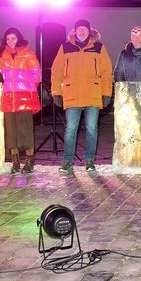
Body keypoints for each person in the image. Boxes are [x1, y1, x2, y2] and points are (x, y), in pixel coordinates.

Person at [51, 19, 113, 174]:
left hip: (93, 93)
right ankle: (67, 161)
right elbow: (56, 70)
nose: (82, 31)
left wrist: (106, 93)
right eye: (79, 29)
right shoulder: (65, 47)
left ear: (89, 31)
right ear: (75, 31)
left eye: (84, 29)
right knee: (71, 129)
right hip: (73, 94)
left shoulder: (98, 48)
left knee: (92, 128)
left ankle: (90, 160)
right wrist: (56, 92)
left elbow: (107, 71)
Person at [0, 28, 40, 173]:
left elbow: (36, 75)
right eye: (8, 39)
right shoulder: (3, 56)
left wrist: (28, 90)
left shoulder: (28, 54)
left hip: (24, 97)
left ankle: (29, 160)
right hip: (10, 98)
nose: (10, 41)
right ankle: (15, 161)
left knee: (26, 129)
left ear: (19, 39)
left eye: (13, 38)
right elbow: (4, 76)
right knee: (11, 131)